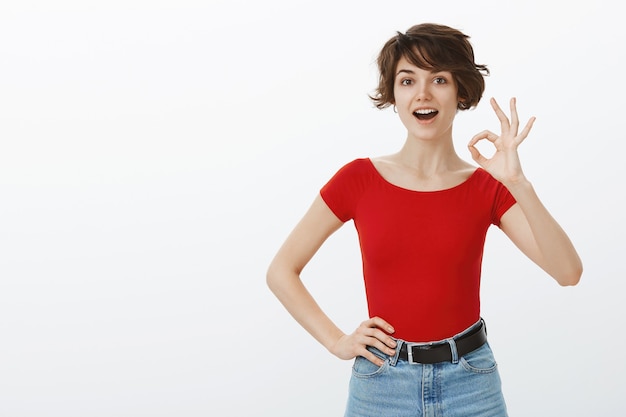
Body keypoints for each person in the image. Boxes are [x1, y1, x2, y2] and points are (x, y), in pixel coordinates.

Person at [266, 23, 582, 417]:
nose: (423, 93)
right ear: (393, 95)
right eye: (407, 80)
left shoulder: (487, 187)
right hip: (381, 383)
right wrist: (336, 341)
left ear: (460, 91)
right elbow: (281, 270)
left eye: (439, 79)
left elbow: (568, 271)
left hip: (471, 383)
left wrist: (518, 183)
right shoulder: (358, 180)